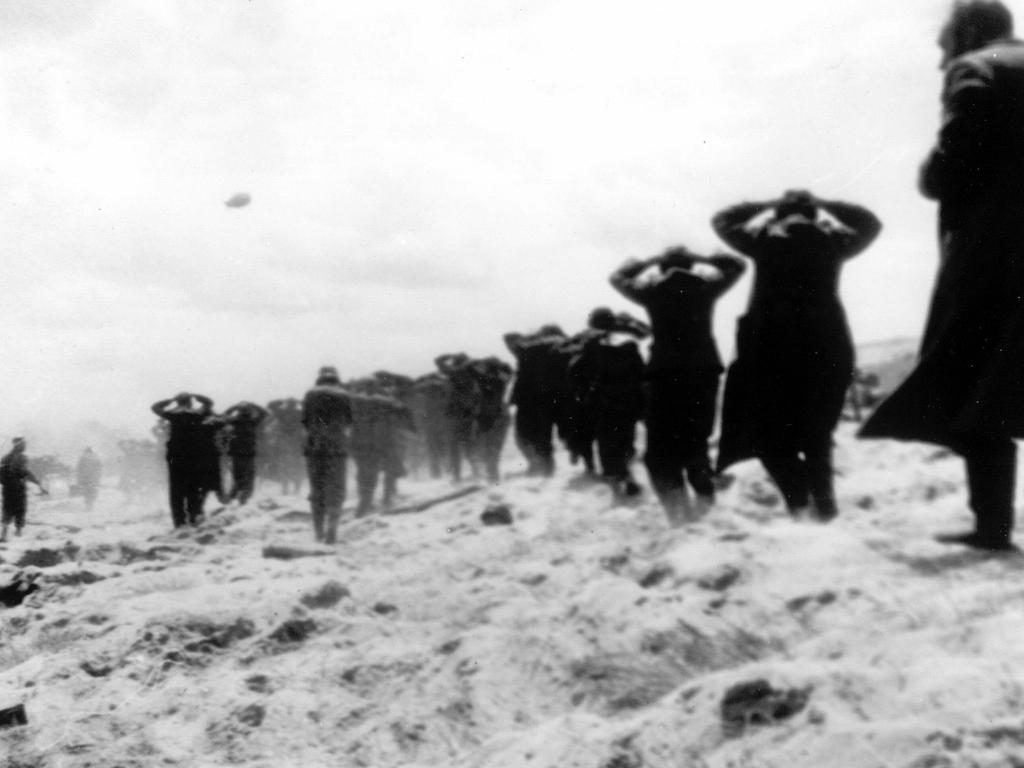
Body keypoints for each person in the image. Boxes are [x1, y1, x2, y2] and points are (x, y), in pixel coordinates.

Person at [861, 1, 1024, 550]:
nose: (940, 59)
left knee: (976, 387)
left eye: (942, 44)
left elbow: (956, 157)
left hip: (997, 260)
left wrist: (930, 172)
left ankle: (992, 527)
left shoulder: (975, 67)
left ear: (967, 32)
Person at [713, 190, 880, 521]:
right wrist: (827, 202)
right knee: (817, 432)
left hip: (768, 344)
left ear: (779, 213)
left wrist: (763, 203)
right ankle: (825, 504)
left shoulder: (762, 237)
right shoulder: (834, 239)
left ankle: (798, 497)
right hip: (825, 341)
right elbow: (870, 223)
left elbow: (723, 220)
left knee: (766, 431)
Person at [610, 246, 746, 524]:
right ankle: (705, 502)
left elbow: (617, 277)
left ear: (661, 268)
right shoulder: (705, 286)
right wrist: (703, 257)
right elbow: (737, 265)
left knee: (661, 448)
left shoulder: (652, 291)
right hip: (703, 371)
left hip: (664, 373)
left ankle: (678, 514)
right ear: (690, 265)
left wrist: (647, 259)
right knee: (696, 440)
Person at [568, 308, 650, 497]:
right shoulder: (629, 340)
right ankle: (626, 474)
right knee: (626, 440)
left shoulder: (590, 342)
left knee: (607, 443)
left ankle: (619, 483)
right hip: (628, 401)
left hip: (603, 402)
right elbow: (641, 371)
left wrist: (582, 393)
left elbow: (576, 369)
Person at [504, 325, 570, 477]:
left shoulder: (529, 348)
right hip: (556, 397)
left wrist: (532, 337)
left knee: (528, 435)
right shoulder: (563, 345)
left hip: (532, 398)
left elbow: (508, 338)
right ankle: (544, 466)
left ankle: (542, 466)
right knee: (542, 435)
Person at [302, 366, 353, 543]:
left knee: (317, 490)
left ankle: (318, 531)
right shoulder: (344, 395)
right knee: (337, 488)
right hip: (337, 447)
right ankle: (332, 527)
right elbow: (349, 420)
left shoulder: (310, 394)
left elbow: (305, 421)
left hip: (315, 447)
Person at [152, 392, 218, 528]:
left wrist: (169, 399)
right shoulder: (197, 414)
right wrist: (198, 396)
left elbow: (155, 407)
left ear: (179, 402)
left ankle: (179, 521)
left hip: (175, 457)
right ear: (190, 402)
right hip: (195, 457)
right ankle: (193, 516)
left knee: (176, 490)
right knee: (194, 488)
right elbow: (209, 403)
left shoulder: (173, 415)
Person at [0, 438, 48, 542]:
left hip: (7, 489)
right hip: (18, 487)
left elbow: (1, 474)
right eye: (24, 445)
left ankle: (4, 533)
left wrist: (6, 482)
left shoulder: (5, 458)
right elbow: (25, 472)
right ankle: (18, 533)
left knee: (7, 509)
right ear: (19, 445)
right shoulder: (22, 458)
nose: (25, 446)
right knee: (19, 509)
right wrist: (38, 483)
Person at [223, 401, 269, 505]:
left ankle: (234, 494)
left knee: (237, 475)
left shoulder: (235, 421)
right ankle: (243, 496)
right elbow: (264, 413)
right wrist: (253, 404)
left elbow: (224, 415)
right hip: (248, 452)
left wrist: (234, 406)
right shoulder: (252, 422)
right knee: (248, 475)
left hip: (237, 452)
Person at [75, 447, 103, 512]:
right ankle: (90, 504)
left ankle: (88, 505)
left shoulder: (82, 458)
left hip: (86, 479)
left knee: (87, 492)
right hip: (93, 479)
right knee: (92, 491)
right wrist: (97, 477)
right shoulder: (96, 458)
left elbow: (79, 469)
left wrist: (79, 479)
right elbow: (99, 469)